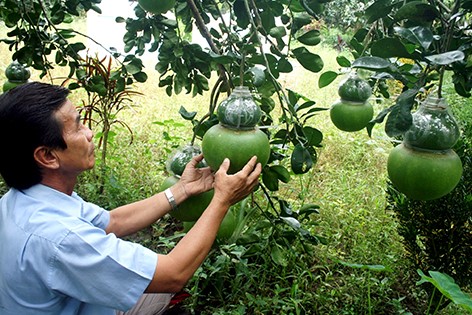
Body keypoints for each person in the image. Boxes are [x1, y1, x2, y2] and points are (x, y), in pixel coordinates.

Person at [0, 82, 262, 315]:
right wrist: (222, 200)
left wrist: (182, 190)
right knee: (161, 287)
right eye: (78, 126)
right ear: (47, 156)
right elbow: (173, 274)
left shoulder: (21, 201)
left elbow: (113, 221)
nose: (89, 133)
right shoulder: (62, 239)